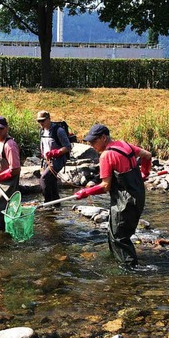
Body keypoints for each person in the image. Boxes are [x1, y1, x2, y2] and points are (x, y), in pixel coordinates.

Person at [74, 124, 152, 266]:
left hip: (124, 201)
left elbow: (105, 186)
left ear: (104, 138)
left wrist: (85, 192)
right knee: (113, 231)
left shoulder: (106, 155)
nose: (91, 145)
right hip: (138, 196)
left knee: (120, 237)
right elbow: (147, 155)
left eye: (93, 141)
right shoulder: (123, 145)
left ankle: (129, 271)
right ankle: (116, 260)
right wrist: (145, 173)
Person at [37, 110, 72, 203]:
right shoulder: (41, 131)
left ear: (49, 119)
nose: (41, 123)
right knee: (51, 182)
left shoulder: (59, 131)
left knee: (43, 179)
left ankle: (47, 203)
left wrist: (55, 152)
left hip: (58, 160)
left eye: (43, 120)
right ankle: (56, 204)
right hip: (46, 161)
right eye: (39, 121)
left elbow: (68, 147)